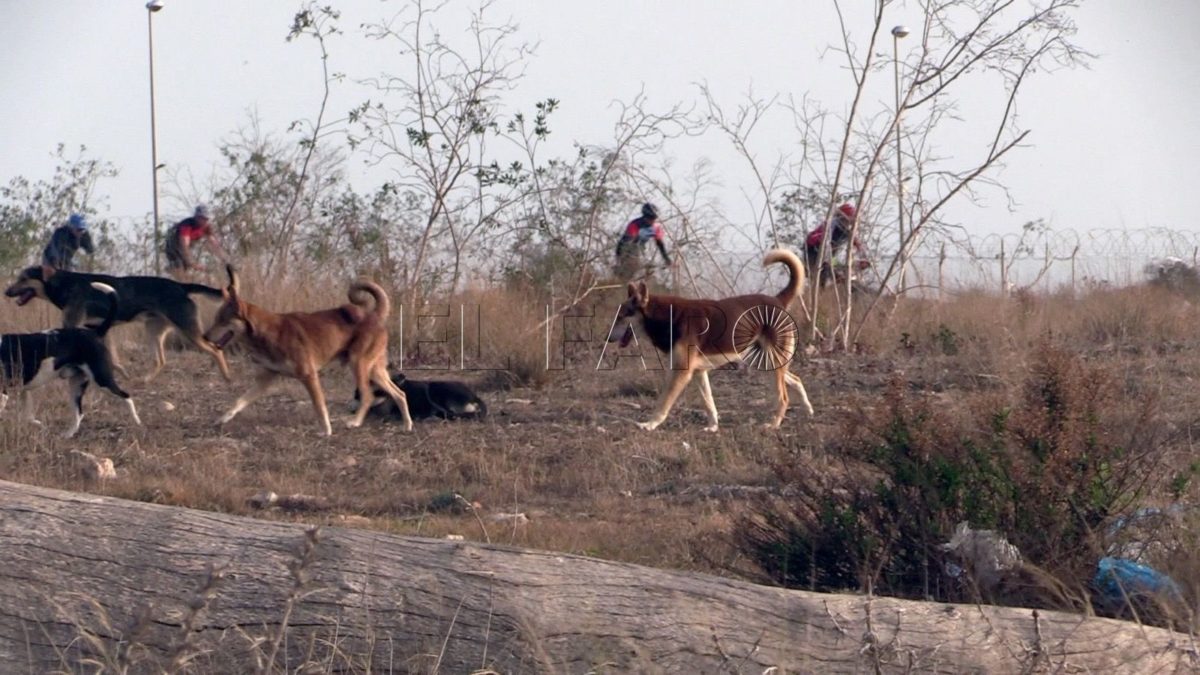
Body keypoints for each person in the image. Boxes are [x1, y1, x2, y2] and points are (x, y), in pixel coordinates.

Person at [804, 202, 864, 287]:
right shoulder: (831, 224)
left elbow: (857, 244)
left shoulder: (846, 230)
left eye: (850, 222)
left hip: (830, 256)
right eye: (847, 220)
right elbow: (825, 241)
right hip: (814, 251)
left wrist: (862, 257)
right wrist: (827, 259)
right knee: (823, 275)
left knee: (838, 269)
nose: (848, 223)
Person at [614, 202, 672, 281]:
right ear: (645, 217)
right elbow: (628, 243)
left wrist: (666, 259)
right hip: (625, 248)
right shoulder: (635, 224)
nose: (652, 221)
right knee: (630, 269)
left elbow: (660, 244)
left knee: (643, 272)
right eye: (650, 218)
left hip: (640, 249)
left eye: (654, 218)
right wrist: (621, 258)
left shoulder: (656, 227)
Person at [165, 205, 226, 278]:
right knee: (181, 265)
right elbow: (184, 245)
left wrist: (224, 258)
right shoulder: (187, 225)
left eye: (206, 219)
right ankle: (173, 271)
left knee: (187, 267)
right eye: (202, 218)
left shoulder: (206, 226)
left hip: (188, 246)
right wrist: (192, 262)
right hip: (173, 246)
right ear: (196, 217)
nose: (205, 221)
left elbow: (214, 244)